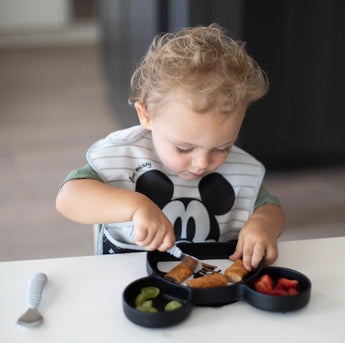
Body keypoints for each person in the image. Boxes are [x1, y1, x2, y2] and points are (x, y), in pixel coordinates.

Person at [56, 24, 284, 271]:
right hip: (124, 284)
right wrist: (136, 206)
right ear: (146, 116)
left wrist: (263, 224)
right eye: (184, 148)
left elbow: (270, 208)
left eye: (222, 148)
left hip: (208, 284)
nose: (202, 163)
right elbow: (69, 198)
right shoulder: (124, 155)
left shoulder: (237, 168)